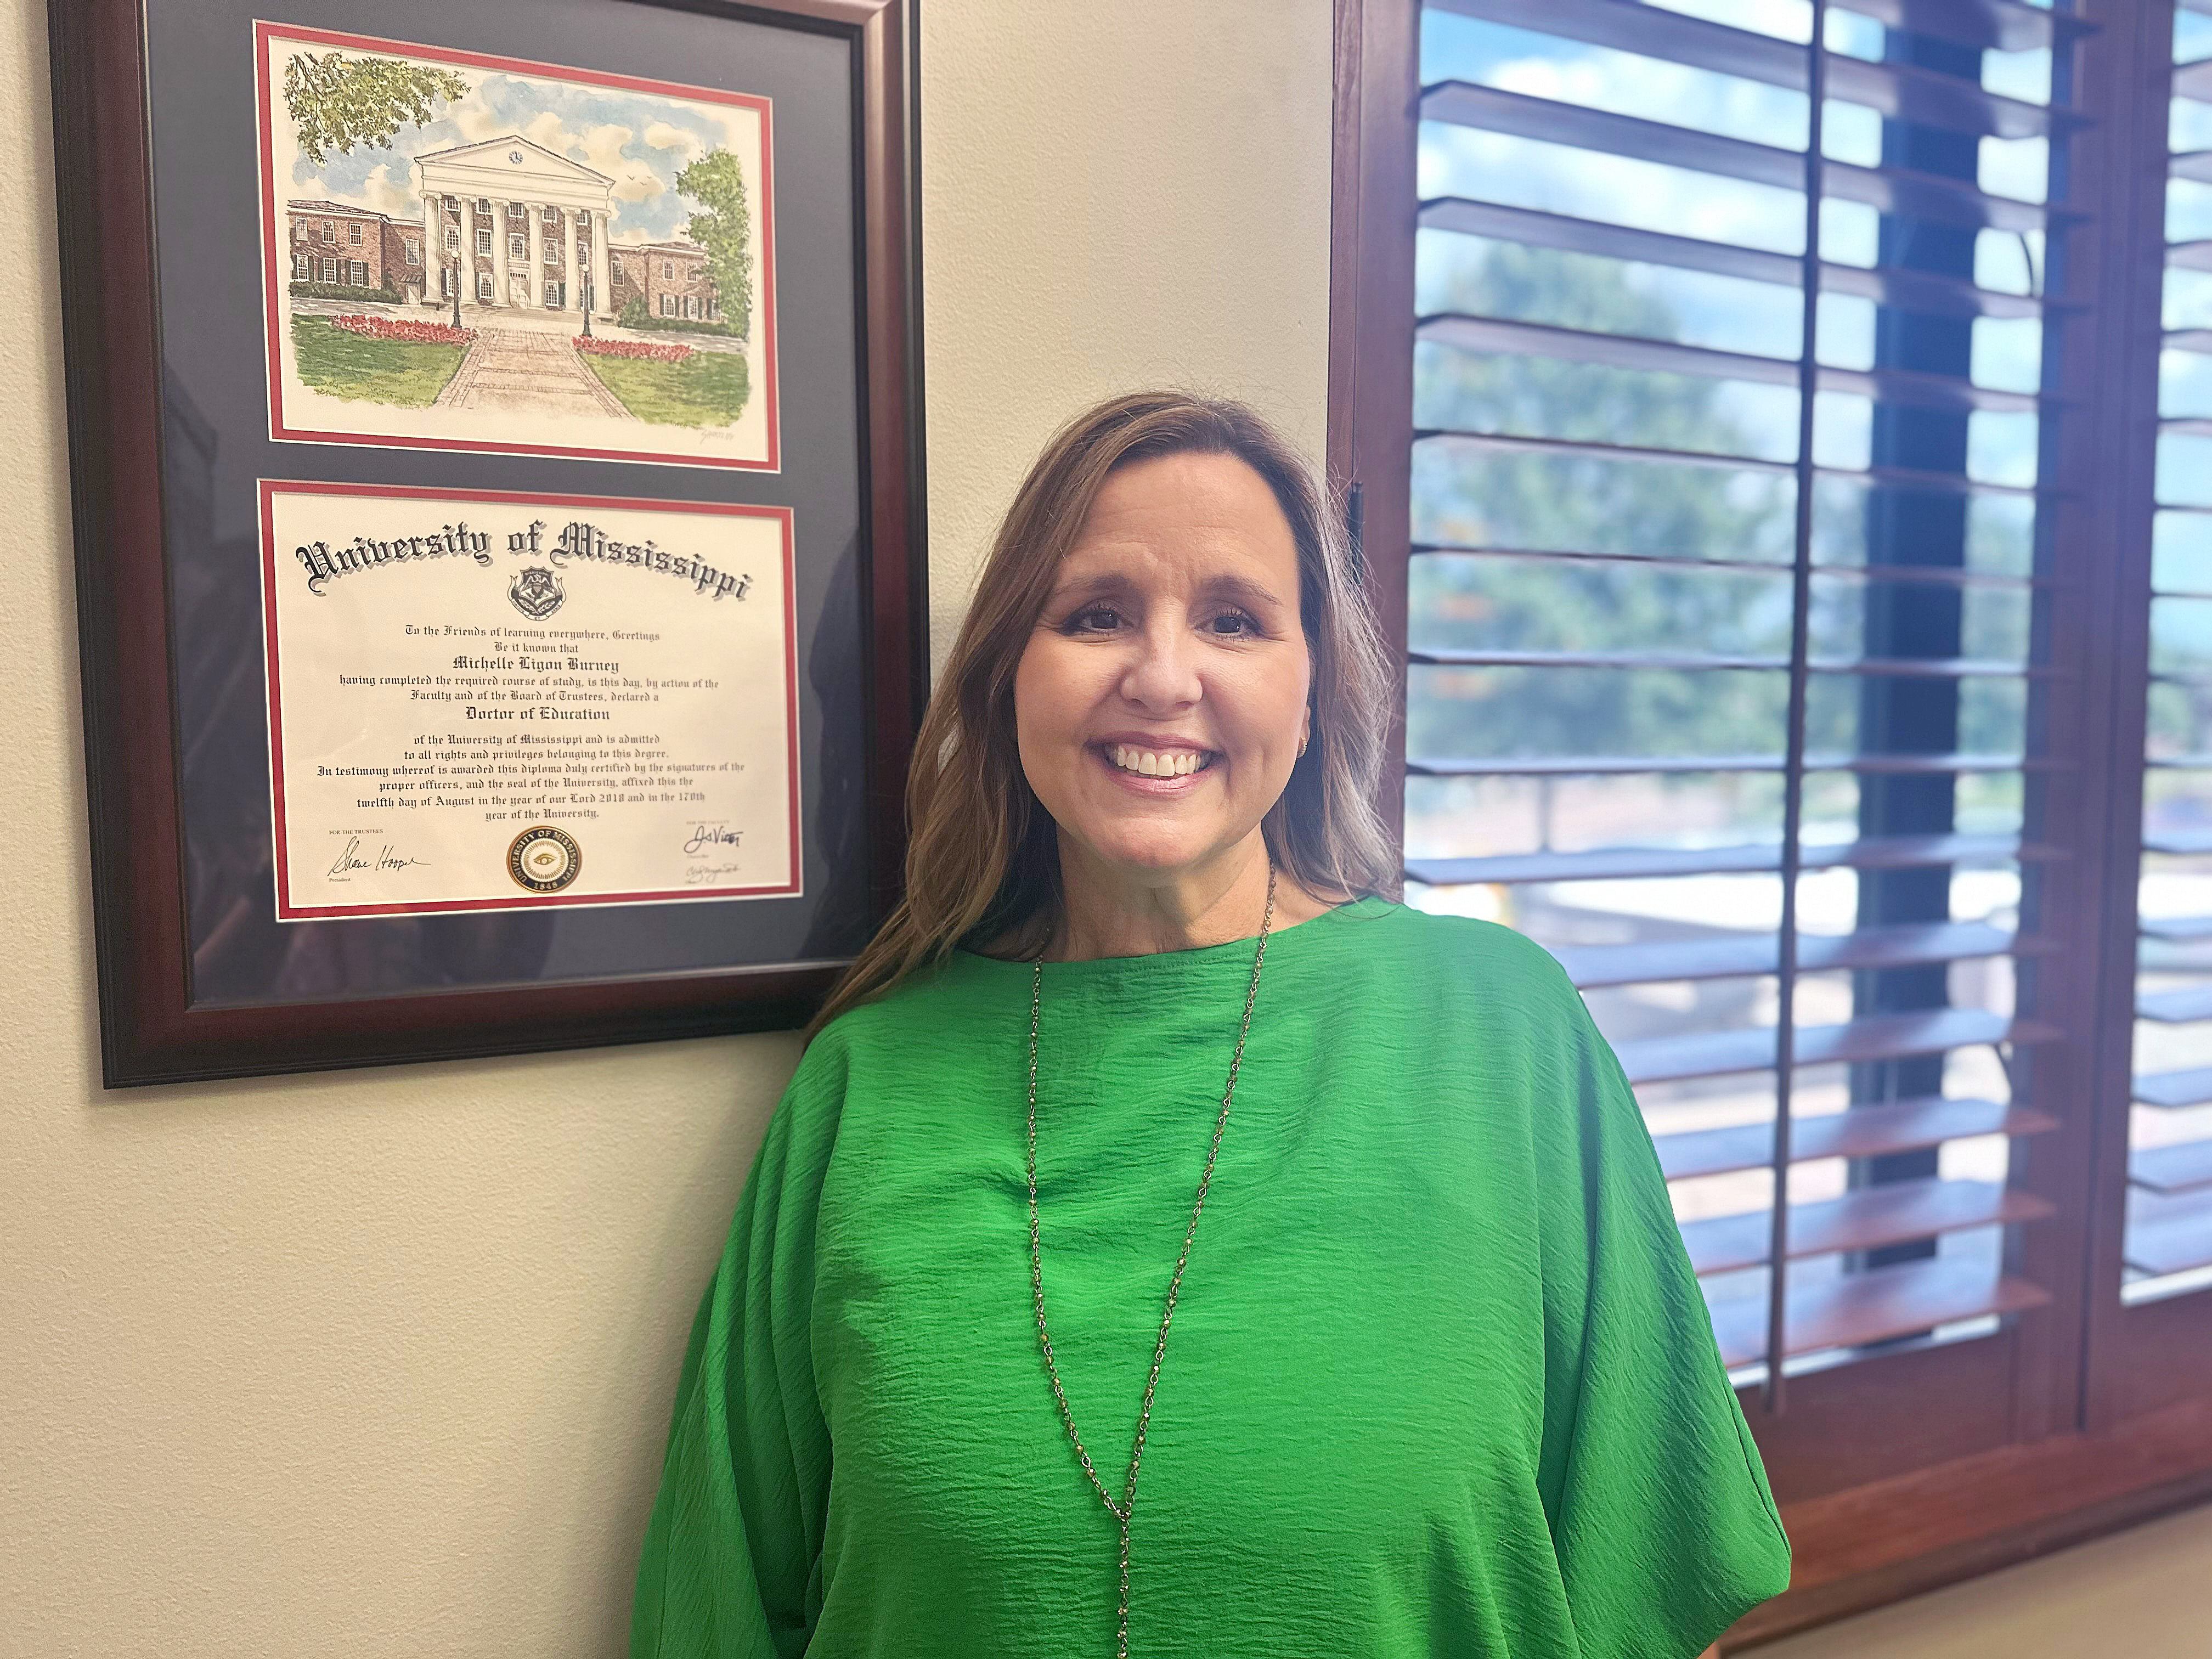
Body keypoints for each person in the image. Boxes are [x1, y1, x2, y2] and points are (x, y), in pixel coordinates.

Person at [630, 391, 1792, 1657]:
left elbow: (1653, 1589)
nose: (1163, 678)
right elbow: (719, 1610)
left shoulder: (1504, 1033)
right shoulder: (868, 1081)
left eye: (1235, 621)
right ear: (1012, 675)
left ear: (1313, 689)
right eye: (1096, 615)